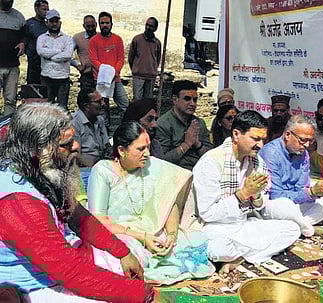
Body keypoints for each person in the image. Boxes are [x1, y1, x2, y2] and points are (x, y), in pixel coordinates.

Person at [0, 103, 155, 302]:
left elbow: (79, 218)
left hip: (59, 269)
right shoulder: (17, 204)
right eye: (66, 144)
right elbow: (72, 274)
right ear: (38, 150)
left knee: (131, 253)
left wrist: (122, 252)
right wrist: (146, 295)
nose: (76, 146)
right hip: (36, 287)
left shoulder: (39, 171)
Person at [87, 121, 215, 285]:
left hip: (155, 231)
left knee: (198, 242)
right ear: (121, 150)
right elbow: (98, 222)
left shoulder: (153, 166)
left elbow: (169, 202)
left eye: (147, 147)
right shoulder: (103, 171)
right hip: (123, 234)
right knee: (125, 257)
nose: (147, 153)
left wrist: (171, 235)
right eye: (141, 149)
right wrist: (142, 237)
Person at [193, 110, 316, 267]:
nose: (261, 145)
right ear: (236, 134)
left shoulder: (257, 161)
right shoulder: (211, 162)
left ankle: (241, 257)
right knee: (219, 250)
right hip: (217, 228)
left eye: (263, 139)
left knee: (291, 229)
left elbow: (262, 202)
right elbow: (207, 213)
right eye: (256, 139)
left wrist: (256, 196)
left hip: (244, 223)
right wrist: (242, 194)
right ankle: (249, 253)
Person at [260, 115, 323, 238]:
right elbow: (276, 196)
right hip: (274, 205)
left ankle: (298, 226)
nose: (306, 145)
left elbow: (302, 187)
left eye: (310, 141)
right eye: (303, 140)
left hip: (294, 204)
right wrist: (311, 192)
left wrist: (315, 192)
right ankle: (312, 230)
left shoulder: (303, 153)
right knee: (284, 205)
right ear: (287, 135)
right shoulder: (271, 153)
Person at [156, 80, 212, 170]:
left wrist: (197, 144)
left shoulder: (199, 123)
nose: (192, 104)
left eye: (195, 100)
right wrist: (186, 144)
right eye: (187, 99)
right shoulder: (163, 124)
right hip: (176, 174)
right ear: (175, 100)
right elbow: (162, 160)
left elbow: (211, 157)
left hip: (201, 171)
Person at [89, 11, 129, 112]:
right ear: (99, 25)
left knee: (125, 104)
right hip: (100, 78)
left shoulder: (117, 39)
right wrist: (105, 73)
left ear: (111, 24)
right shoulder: (93, 41)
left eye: (107, 23)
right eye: (102, 23)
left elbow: (120, 58)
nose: (105, 25)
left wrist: (114, 72)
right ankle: (104, 127)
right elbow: (93, 60)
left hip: (115, 78)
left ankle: (125, 125)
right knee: (102, 107)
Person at [36, 9, 74, 109]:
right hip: (46, 77)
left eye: (56, 21)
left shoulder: (68, 39)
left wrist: (50, 55)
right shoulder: (41, 38)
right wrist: (59, 51)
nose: (54, 24)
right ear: (46, 22)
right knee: (46, 108)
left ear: (60, 22)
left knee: (62, 108)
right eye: (51, 21)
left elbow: (68, 54)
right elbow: (40, 52)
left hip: (62, 78)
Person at [71, 88, 111, 167]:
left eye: (102, 100)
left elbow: (106, 146)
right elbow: (75, 156)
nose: (103, 104)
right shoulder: (74, 123)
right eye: (98, 102)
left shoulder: (100, 119)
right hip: (84, 168)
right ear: (86, 106)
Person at [0, 0, 25, 116]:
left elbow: (25, 35)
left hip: (12, 65)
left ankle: (7, 126)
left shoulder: (18, 16)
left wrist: (23, 43)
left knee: (10, 99)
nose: (9, 1)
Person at [128, 17, 161, 100]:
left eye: (151, 26)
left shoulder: (157, 43)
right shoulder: (137, 39)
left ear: (155, 28)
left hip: (151, 76)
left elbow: (157, 58)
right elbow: (131, 57)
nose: (148, 27)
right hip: (138, 75)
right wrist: (136, 69)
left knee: (147, 100)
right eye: (147, 25)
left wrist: (152, 69)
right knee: (137, 99)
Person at [24, 0, 49, 84]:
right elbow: (23, 39)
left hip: (46, 62)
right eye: (43, 9)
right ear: (36, 9)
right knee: (33, 88)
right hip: (33, 62)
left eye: (47, 10)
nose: (46, 12)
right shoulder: (29, 24)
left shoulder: (49, 25)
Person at [73, 15, 97, 90]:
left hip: (101, 74)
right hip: (86, 74)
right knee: (85, 99)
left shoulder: (101, 37)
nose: (90, 29)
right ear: (84, 26)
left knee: (102, 98)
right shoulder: (77, 38)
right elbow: (67, 53)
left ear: (96, 24)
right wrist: (77, 65)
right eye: (88, 26)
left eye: (93, 26)